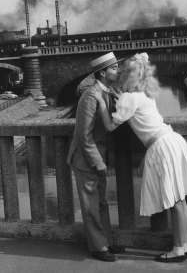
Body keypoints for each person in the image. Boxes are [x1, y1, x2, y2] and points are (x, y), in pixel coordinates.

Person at [96, 52, 187, 263]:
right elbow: (134, 110)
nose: (118, 74)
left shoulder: (128, 98)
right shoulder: (144, 94)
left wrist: (101, 103)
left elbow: (109, 126)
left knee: (175, 201)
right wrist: (121, 100)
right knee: (180, 201)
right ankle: (182, 248)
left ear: (128, 76)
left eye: (122, 71)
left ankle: (178, 251)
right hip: (172, 140)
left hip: (161, 147)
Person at [67, 52, 125, 262]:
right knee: (91, 205)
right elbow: (84, 135)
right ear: (102, 72)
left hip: (96, 157)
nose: (117, 71)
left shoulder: (107, 92)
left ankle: (106, 241)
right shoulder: (91, 97)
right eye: (114, 68)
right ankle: (98, 247)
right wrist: (97, 161)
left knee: (101, 203)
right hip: (86, 160)